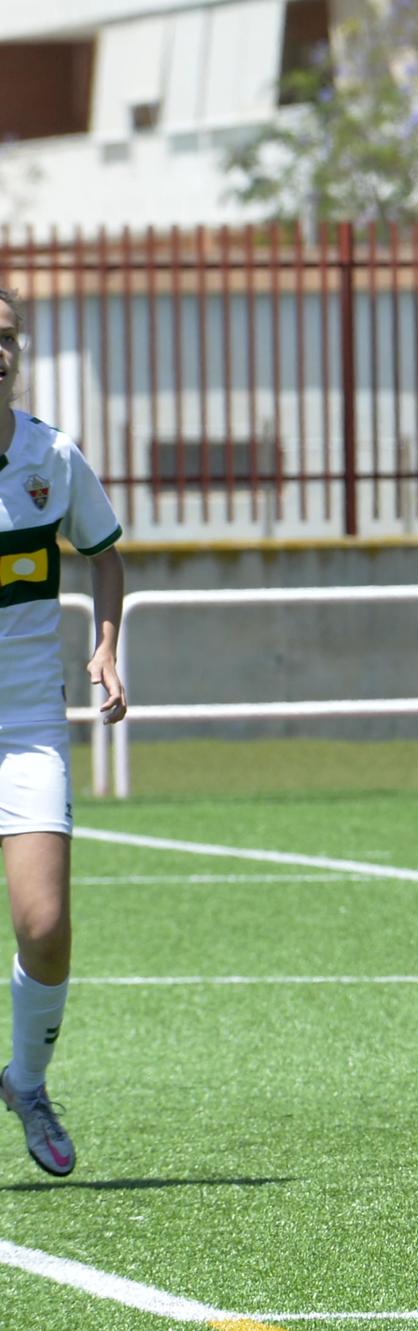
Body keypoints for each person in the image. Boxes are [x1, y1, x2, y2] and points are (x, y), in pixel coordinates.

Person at [0, 287, 128, 1177]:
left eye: (4, 335)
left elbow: (104, 553)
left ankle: (29, 1080)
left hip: (27, 715)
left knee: (44, 922)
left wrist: (107, 647)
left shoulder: (49, 453)